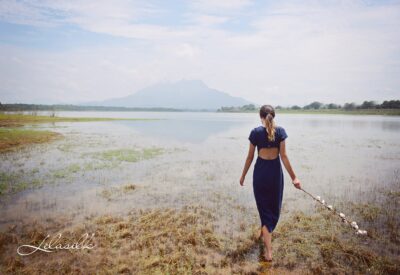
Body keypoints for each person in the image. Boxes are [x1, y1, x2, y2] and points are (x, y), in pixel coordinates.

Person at [240, 104, 301, 262]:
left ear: (260, 117)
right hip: (274, 175)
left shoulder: (255, 132)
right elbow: (284, 157)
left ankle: (268, 252)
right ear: (273, 116)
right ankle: (264, 236)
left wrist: (243, 176)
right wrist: (294, 178)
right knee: (271, 209)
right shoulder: (280, 132)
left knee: (264, 207)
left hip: (260, 175)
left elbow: (249, 157)